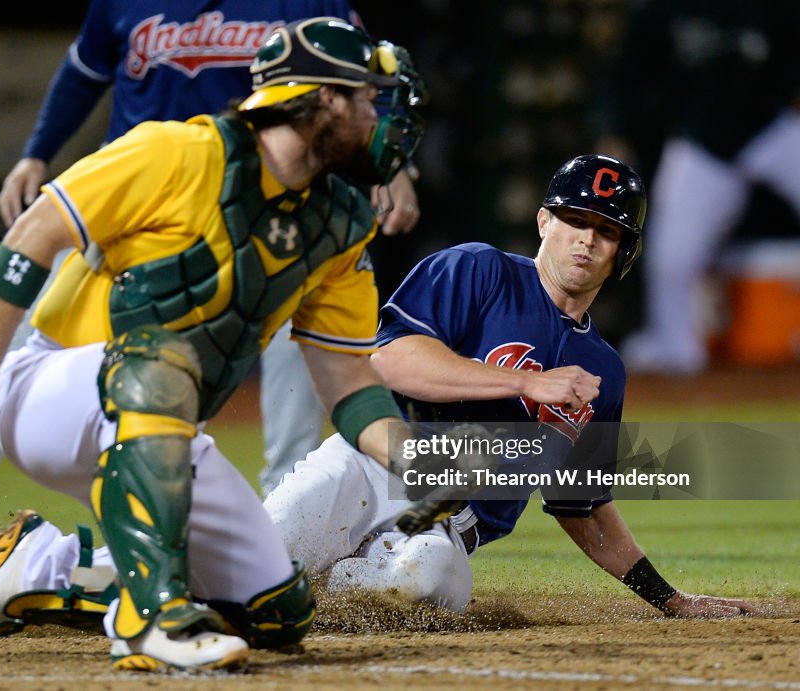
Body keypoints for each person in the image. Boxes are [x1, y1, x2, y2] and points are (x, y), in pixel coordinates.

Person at [0, 17, 428, 673]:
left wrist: (427, 459)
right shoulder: (180, 152)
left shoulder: (339, 224)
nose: (376, 118)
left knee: (275, 610)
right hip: (51, 391)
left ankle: (45, 565)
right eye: (365, 98)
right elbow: (34, 233)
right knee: (162, 359)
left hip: (160, 426)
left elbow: (351, 385)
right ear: (323, 99)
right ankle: (148, 621)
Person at [264, 154, 755, 618]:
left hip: (446, 531)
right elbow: (391, 360)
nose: (586, 240)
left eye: (607, 231)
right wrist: (526, 382)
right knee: (254, 561)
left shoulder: (602, 372)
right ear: (544, 223)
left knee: (424, 580)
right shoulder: (477, 270)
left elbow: (581, 505)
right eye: (576, 220)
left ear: (623, 253)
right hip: (369, 470)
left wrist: (668, 598)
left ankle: (335, 584)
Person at [592, 0, 800, 375]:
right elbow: (629, 73)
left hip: (773, 128)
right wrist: (616, 130)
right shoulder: (662, 11)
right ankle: (677, 355)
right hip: (703, 143)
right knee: (671, 256)